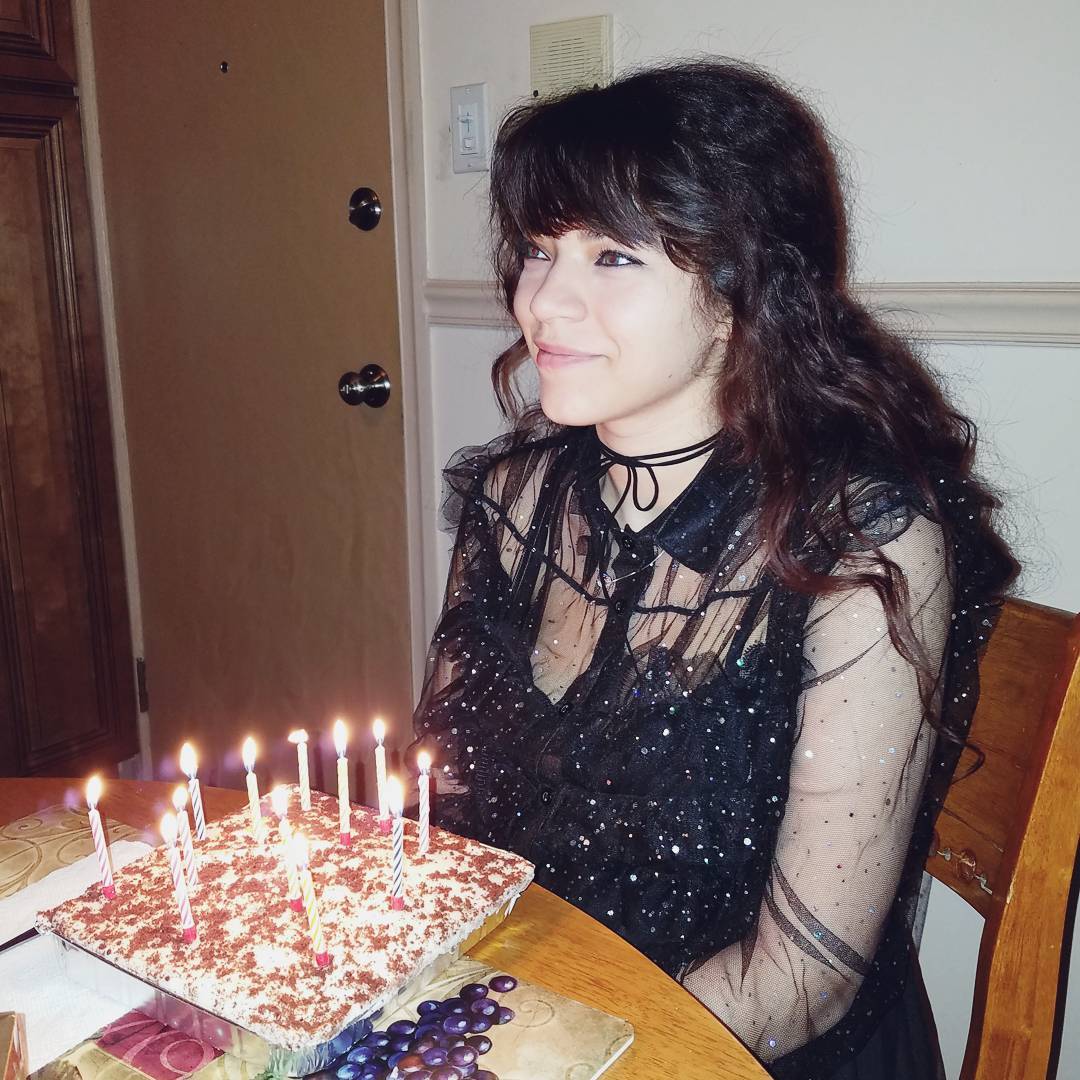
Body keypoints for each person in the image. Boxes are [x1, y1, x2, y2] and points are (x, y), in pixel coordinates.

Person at [408, 59, 1018, 1079]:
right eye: (539, 250)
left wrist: (544, 1054)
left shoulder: (856, 547)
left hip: (724, 1049)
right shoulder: (516, 502)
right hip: (517, 1012)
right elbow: (444, 815)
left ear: (741, 290)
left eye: (612, 257)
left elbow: (802, 981)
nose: (543, 302)